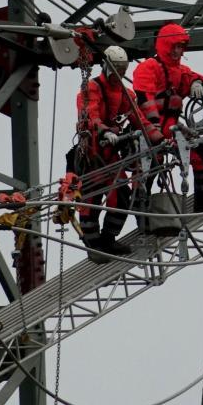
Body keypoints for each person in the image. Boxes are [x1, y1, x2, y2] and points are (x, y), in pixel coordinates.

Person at [132, 22, 203, 214]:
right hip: (149, 132)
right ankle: (143, 215)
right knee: (147, 173)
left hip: (171, 130)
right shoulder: (148, 67)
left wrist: (198, 83)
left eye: (181, 47)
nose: (178, 51)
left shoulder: (180, 71)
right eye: (175, 46)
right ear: (166, 46)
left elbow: (193, 77)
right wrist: (155, 132)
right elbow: (144, 100)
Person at [69, 45, 138, 257]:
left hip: (110, 157)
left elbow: (138, 118)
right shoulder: (91, 89)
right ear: (108, 67)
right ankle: (93, 244)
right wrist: (104, 131)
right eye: (117, 67)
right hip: (92, 154)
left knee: (122, 194)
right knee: (90, 200)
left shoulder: (126, 95)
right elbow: (90, 115)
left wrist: (154, 135)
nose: (121, 72)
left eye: (123, 68)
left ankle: (108, 238)